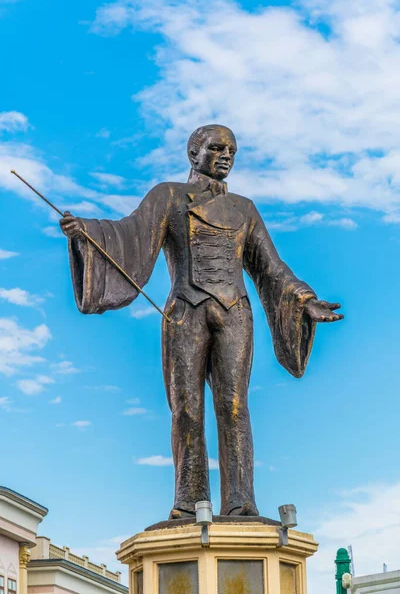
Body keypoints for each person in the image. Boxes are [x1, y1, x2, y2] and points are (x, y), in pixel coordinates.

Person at [60, 124, 343, 518]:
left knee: (234, 407)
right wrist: (87, 233)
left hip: (233, 312)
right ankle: (189, 501)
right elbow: (131, 234)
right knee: (187, 409)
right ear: (194, 153)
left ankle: (241, 502)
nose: (226, 156)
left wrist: (304, 300)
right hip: (185, 312)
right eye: (217, 148)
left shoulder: (244, 209)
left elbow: (269, 267)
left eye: (232, 151)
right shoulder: (169, 195)